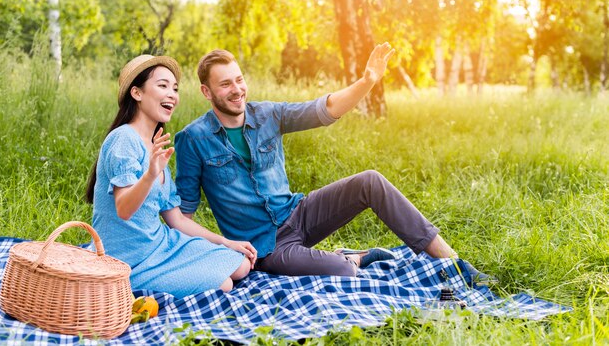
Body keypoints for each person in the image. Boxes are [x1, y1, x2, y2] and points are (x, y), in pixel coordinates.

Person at [175, 44, 493, 281]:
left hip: (298, 213)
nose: (237, 90)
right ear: (206, 91)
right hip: (266, 248)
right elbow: (185, 216)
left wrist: (367, 81)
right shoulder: (193, 139)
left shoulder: (267, 114)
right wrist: (222, 247)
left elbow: (324, 110)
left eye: (239, 80)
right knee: (342, 273)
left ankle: (456, 265)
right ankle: (352, 259)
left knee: (370, 181)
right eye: (225, 84)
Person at [85, 54, 256, 298]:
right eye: (162, 86)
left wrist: (225, 241)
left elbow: (176, 219)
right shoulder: (123, 140)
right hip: (129, 261)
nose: (172, 95)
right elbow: (123, 209)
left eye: (174, 88)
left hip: (162, 245)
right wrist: (151, 174)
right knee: (224, 284)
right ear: (137, 93)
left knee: (240, 264)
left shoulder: (155, 145)